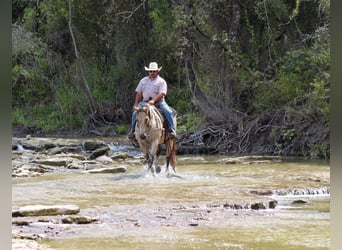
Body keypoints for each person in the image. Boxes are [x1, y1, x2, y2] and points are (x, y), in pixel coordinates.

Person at [128, 62, 177, 140]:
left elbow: (162, 93)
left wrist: (154, 101)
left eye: (154, 71)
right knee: (135, 113)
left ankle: (172, 130)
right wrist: (136, 103)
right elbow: (139, 93)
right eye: (151, 71)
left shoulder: (161, 81)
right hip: (145, 101)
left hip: (159, 101)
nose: (152, 73)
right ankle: (133, 131)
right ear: (149, 72)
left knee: (167, 111)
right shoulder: (143, 81)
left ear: (157, 71)